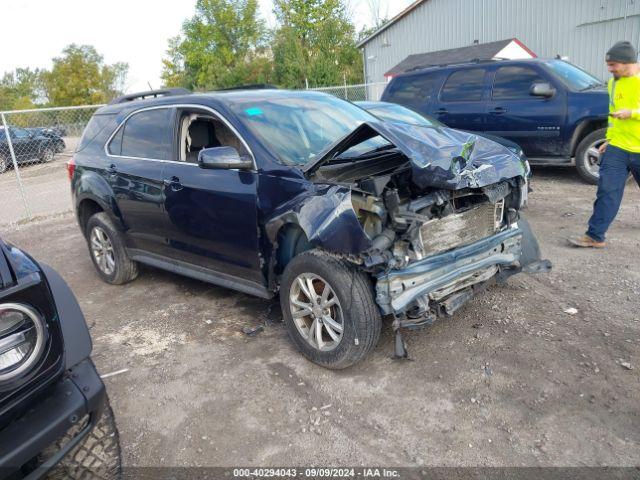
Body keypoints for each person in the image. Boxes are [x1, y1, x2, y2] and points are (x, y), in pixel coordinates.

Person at [569, 41, 640, 248]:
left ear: (628, 62)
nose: (610, 69)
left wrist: (632, 114)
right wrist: (609, 139)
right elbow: (613, 116)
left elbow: (626, 114)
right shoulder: (614, 83)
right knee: (607, 191)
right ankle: (595, 236)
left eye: (614, 64)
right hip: (618, 147)